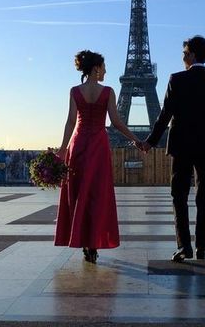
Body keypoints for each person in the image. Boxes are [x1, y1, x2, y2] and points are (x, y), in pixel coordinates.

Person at [139, 35, 205, 262]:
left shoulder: (176, 80)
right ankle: (202, 248)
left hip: (181, 146)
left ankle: (184, 246)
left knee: (179, 196)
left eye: (185, 53)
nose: (182, 57)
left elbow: (165, 115)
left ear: (193, 55)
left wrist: (150, 141)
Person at [54, 50, 141, 263]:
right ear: (95, 68)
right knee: (96, 196)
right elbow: (117, 122)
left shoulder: (75, 91)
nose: (105, 71)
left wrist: (63, 148)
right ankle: (93, 243)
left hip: (79, 145)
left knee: (78, 194)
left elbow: (70, 122)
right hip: (99, 146)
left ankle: (84, 241)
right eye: (103, 67)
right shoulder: (108, 92)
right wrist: (135, 139)